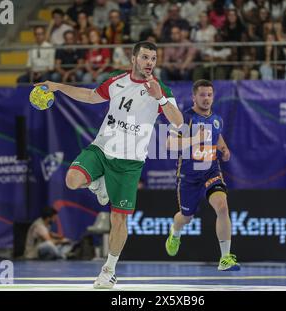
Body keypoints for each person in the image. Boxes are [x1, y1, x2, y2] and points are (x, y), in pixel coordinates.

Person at [35, 41, 183, 289]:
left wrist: (161, 99)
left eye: (153, 59)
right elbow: (91, 96)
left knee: (119, 220)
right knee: (72, 180)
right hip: (102, 149)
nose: (150, 63)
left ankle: (109, 270)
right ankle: (99, 184)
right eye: (145, 57)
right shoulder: (117, 81)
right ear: (134, 59)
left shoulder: (161, 88)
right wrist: (58, 87)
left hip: (129, 162)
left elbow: (178, 122)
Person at [165, 79, 240, 272]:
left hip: (211, 171)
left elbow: (217, 135)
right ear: (193, 97)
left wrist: (223, 148)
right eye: (202, 95)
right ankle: (175, 231)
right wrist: (194, 139)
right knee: (186, 217)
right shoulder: (184, 118)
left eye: (209, 95)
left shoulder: (216, 119)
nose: (206, 99)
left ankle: (225, 258)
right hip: (189, 178)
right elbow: (169, 145)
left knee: (222, 207)